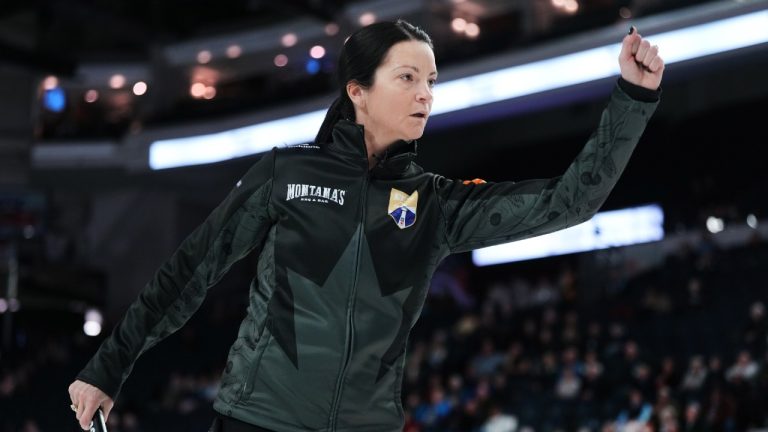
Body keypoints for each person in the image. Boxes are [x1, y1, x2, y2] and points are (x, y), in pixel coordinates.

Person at [68, 19, 664, 432]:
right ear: (358, 89)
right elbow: (188, 274)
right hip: (257, 422)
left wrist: (632, 99)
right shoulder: (284, 174)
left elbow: (567, 203)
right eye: (408, 78)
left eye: (431, 81)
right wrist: (108, 368)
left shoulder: (435, 204)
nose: (425, 94)